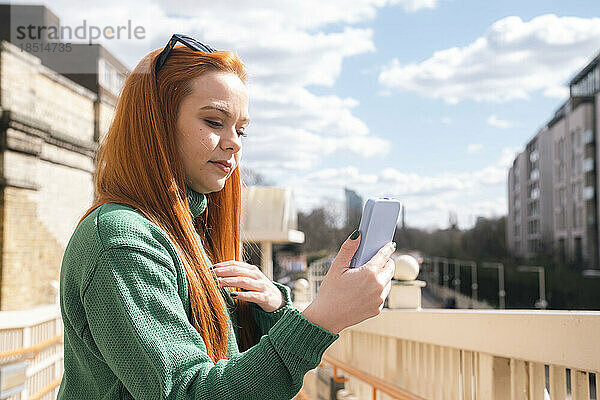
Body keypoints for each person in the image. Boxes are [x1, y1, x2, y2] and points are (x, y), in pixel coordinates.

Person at [56, 34, 396, 400]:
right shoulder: (120, 239)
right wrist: (322, 318)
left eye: (241, 129)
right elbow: (188, 392)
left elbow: (228, 367)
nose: (234, 141)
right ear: (156, 124)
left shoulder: (188, 231)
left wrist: (274, 307)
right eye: (214, 121)